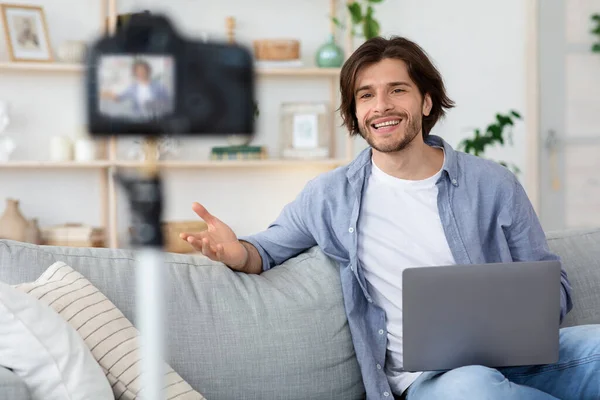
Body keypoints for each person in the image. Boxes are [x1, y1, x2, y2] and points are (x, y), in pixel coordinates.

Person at [180, 36, 600, 400]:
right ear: (355, 112)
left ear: (426, 100)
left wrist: (519, 316)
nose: (381, 106)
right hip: (435, 380)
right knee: (474, 390)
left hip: (520, 358)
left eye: (397, 90)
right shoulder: (330, 196)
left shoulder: (493, 183)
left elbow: (555, 290)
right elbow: (264, 251)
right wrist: (236, 252)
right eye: (365, 95)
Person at [101, 59, 170, 118]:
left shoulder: (159, 86)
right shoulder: (132, 88)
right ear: (135, 73)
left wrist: (148, 105)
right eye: (138, 71)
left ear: (148, 71)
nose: (141, 72)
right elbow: (119, 98)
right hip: (138, 119)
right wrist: (108, 94)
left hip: (156, 119)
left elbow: (167, 103)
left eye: (143, 70)